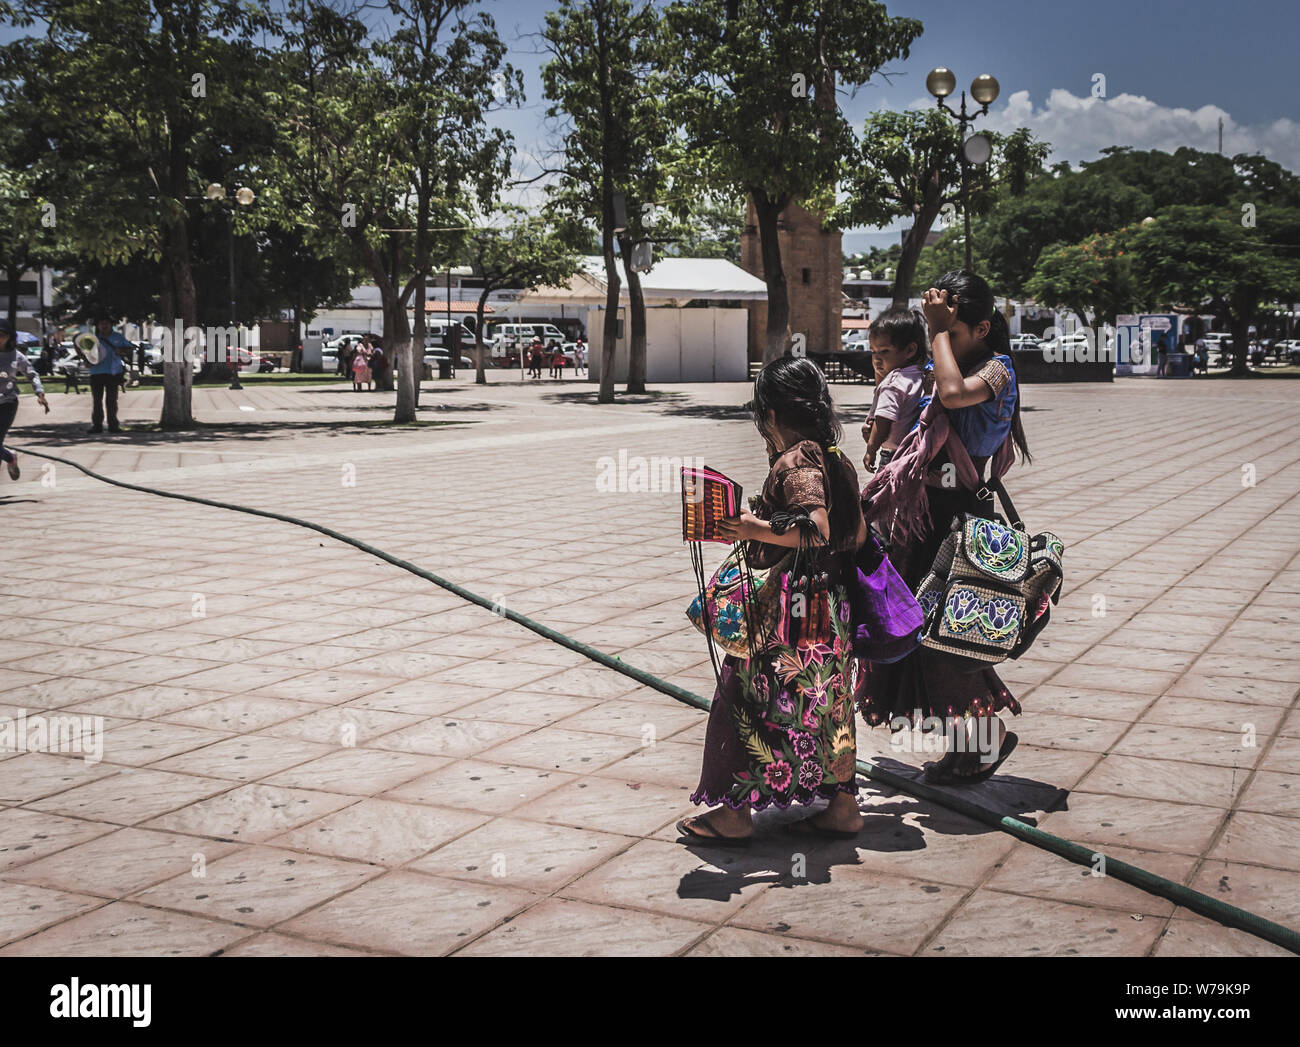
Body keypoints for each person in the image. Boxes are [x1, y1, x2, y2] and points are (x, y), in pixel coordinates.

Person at [678, 356, 872, 843]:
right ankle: (843, 808)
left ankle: (734, 814)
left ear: (769, 413)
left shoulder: (796, 460)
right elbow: (857, 532)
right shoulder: (835, 458)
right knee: (827, 703)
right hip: (830, 610)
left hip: (787, 612)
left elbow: (815, 529)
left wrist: (750, 527)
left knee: (743, 699)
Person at [859, 270, 1032, 784]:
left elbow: (954, 395)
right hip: (924, 519)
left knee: (949, 639)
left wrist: (935, 330)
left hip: (961, 523)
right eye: (941, 335)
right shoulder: (948, 362)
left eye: (952, 333)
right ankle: (968, 746)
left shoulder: (999, 370)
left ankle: (988, 737)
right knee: (920, 636)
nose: (943, 345)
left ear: (981, 328)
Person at [862, 305, 927, 474]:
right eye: (873, 352)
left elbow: (883, 421)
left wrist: (871, 449)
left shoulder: (893, 383)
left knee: (882, 498)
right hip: (914, 451)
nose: (876, 359)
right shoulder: (921, 374)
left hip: (892, 455)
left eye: (884, 351)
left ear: (910, 350)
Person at [0, 320, 51, 480]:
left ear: (9, 337)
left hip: (7, 404)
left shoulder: (16, 356)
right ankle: (10, 457)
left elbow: (32, 374)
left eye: (1, 335)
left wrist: (40, 392)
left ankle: (9, 458)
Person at [80, 318, 129, 433]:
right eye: (101, 324)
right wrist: (86, 361)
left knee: (111, 400)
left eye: (106, 323)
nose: (104, 326)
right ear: (98, 326)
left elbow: (129, 350)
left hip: (113, 373)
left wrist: (120, 350)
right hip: (96, 373)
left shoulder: (118, 337)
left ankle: (113, 425)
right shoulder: (92, 339)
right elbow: (85, 353)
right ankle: (97, 426)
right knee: (97, 401)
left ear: (111, 325)